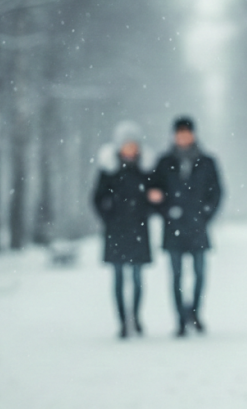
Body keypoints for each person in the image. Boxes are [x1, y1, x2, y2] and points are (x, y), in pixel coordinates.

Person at [150, 116, 222, 337]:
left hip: (198, 227)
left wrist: (206, 215)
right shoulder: (164, 162)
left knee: (200, 275)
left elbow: (217, 192)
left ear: (193, 134)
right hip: (173, 228)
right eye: (179, 133)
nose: (183, 137)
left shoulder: (207, 161)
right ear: (174, 135)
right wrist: (165, 212)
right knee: (177, 276)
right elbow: (153, 192)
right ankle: (181, 320)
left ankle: (195, 313)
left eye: (186, 133)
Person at [93, 122, 155, 339]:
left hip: (139, 229)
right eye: (126, 145)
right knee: (119, 278)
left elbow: (154, 196)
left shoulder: (145, 170)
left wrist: (149, 206)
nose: (130, 149)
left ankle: (135, 317)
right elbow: (97, 198)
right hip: (116, 231)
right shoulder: (108, 170)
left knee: (137, 279)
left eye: (133, 144)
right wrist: (108, 215)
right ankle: (122, 321)